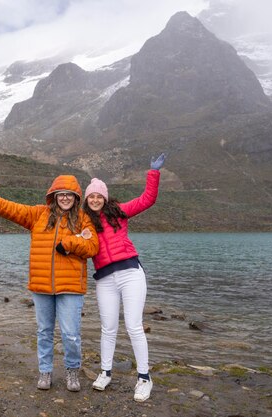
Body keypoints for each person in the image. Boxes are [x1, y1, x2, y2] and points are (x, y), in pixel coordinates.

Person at [0, 175, 99, 392]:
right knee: (44, 331)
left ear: (76, 197)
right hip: (41, 286)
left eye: (69, 194)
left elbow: (92, 247)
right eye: (60, 194)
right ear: (53, 196)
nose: (64, 198)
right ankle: (45, 371)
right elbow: (9, 208)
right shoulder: (38, 215)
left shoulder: (82, 219)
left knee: (71, 334)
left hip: (70, 287)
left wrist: (69, 242)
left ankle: (72, 371)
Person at [83, 153, 166, 403]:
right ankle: (105, 372)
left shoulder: (118, 212)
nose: (96, 199)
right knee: (108, 328)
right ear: (87, 199)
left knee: (133, 325)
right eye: (91, 196)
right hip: (105, 279)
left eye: (99, 195)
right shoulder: (84, 221)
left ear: (104, 198)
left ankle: (144, 378)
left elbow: (147, 199)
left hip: (131, 274)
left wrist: (153, 173)